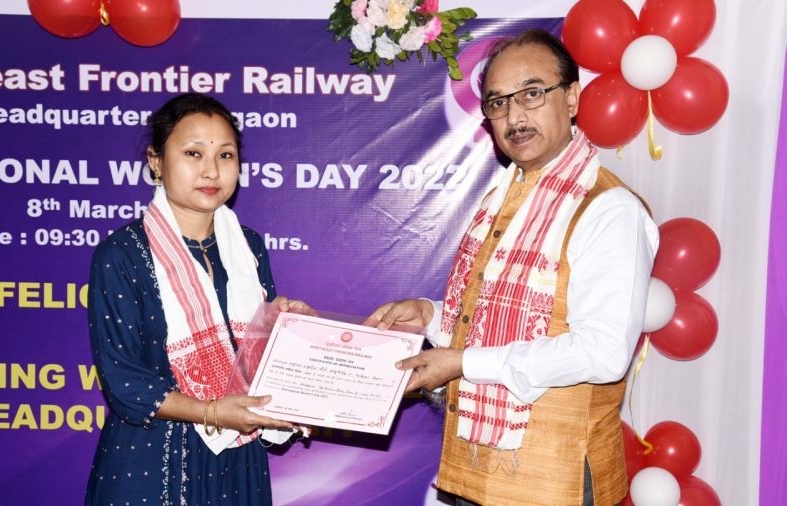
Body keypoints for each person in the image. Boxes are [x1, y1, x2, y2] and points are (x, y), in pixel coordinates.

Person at [366, 29, 658, 505]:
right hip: (476, 470)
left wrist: (462, 363)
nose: (514, 116)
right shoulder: (506, 195)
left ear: (572, 98)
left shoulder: (607, 208)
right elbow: (495, 316)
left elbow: (603, 352)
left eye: (532, 93)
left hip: (555, 480)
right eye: (498, 102)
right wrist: (430, 314)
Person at [85, 93, 308, 505]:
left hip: (238, 457)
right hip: (153, 457)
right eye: (193, 153)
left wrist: (286, 327)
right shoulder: (122, 254)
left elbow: (256, 355)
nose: (211, 170)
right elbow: (123, 382)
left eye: (225, 155)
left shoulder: (249, 247)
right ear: (156, 161)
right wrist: (211, 412)